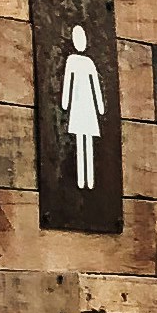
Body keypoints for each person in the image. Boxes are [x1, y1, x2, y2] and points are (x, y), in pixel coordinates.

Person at [59, 13, 107, 191]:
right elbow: (67, 84)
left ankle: (90, 180)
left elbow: (95, 85)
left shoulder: (88, 62)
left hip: (87, 106)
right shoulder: (71, 61)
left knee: (88, 140)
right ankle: (81, 180)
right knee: (80, 140)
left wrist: (100, 107)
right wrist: (65, 103)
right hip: (78, 106)